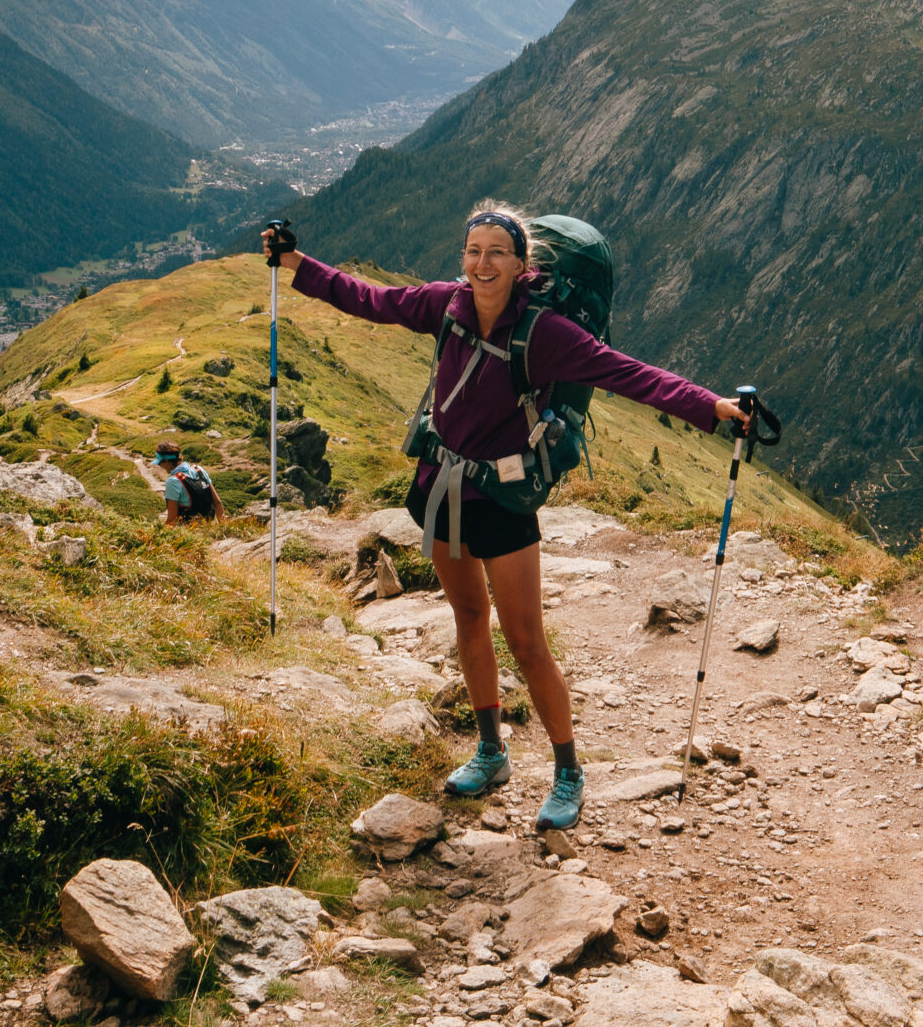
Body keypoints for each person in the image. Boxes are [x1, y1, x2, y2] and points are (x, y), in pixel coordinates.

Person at [264, 204, 750, 832]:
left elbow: (632, 376)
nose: (482, 263)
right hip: (438, 485)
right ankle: (491, 752)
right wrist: (295, 263)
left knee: (525, 641)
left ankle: (568, 771)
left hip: (503, 499)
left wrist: (712, 408)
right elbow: (369, 299)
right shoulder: (444, 304)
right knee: (467, 617)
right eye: (473, 251)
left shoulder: (546, 334)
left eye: (497, 252)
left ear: (523, 265)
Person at [156, 443, 224, 525]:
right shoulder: (199, 470)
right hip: (207, 527)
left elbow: (172, 520)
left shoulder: (172, 481)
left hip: (188, 532)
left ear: (166, 461)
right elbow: (217, 503)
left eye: (159, 462)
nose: (159, 465)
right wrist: (223, 527)